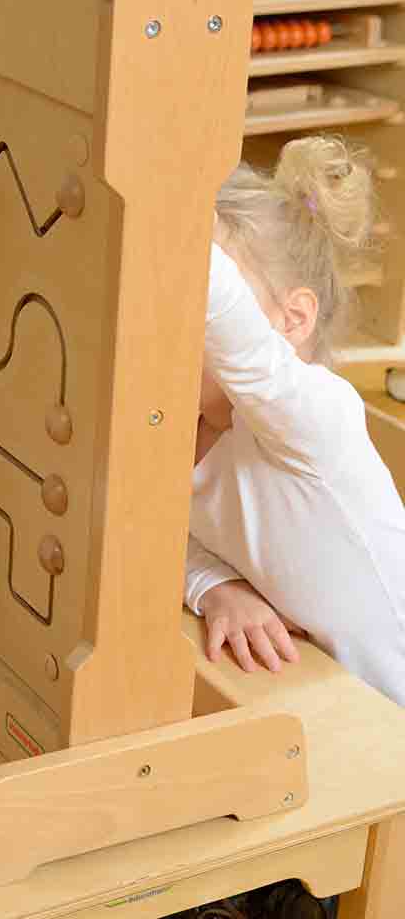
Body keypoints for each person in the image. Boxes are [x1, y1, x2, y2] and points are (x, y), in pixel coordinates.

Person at [180, 136, 404, 919]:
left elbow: (243, 351)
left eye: (189, 300)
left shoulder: (312, 418)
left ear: (290, 323)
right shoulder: (181, 428)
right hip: (321, 725)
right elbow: (165, 539)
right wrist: (218, 587)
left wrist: (164, 189)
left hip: (392, 725)